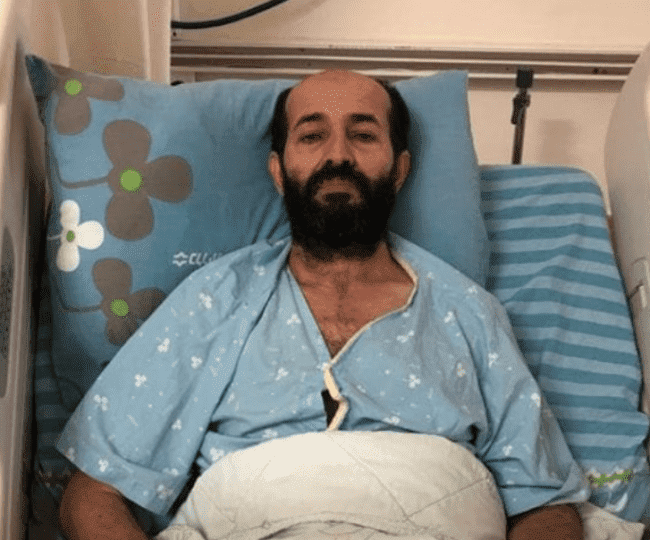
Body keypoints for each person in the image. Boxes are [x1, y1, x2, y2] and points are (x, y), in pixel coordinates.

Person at [57, 70, 589, 540]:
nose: (338, 155)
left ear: (400, 169)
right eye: (312, 135)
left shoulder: (469, 314)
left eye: (363, 134)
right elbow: (93, 494)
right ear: (278, 170)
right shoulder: (213, 301)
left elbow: (547, 506)